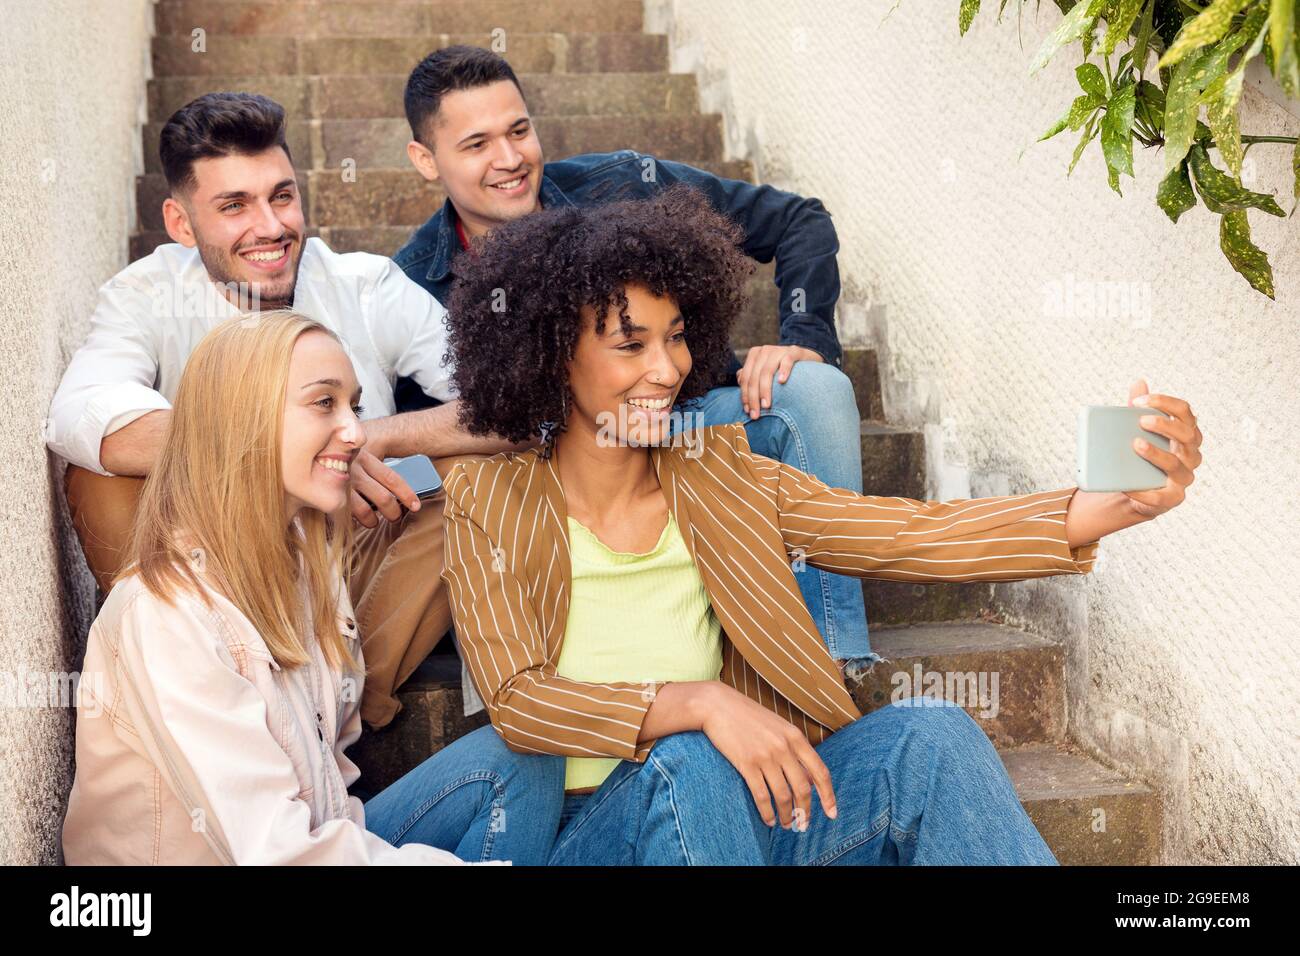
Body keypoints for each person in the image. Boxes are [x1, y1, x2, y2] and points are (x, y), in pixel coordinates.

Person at [435, 186, 1205, 865]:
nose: (667, 369)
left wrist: (1098, 506)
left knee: (930, 741)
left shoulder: (722, 470)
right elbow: (520, 699)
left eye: (675, 337)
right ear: (550, 353)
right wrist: (700, 703)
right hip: (594, 833)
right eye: (631, 343)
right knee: (692, 759)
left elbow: (909, 534)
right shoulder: (489, 495)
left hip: (749, 812)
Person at [392, 45, 881, 681]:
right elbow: (431, 444)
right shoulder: (409, 286)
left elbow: (798, 222)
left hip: (687, 421)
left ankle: (832, 664)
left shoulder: (622, 185)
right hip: (566, 477)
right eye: (477, 144)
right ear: (425, 159)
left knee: (811, 391)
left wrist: (805, 334)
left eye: (519, 130)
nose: (510, 160)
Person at [45, 92, 523, 730]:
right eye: (233, 206)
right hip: (219, 573)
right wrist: (300, 451)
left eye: (281, 195)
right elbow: (82, 416)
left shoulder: (365, 284)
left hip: (350, 560)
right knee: (98, 479)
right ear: (181, 223)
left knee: (479, 480)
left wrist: (367, 438)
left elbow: (515, 401)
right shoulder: (148, 294)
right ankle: (181, 699)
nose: (270, 226)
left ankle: (339, 707)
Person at [61, 311, 565, 865]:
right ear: (238, 422)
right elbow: (281, 853)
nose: (355, 432)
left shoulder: (305, 561)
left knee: (524, 758)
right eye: (324, 403)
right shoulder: (166, 615)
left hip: (321, 831)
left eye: (355, 405)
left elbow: (332, 765)